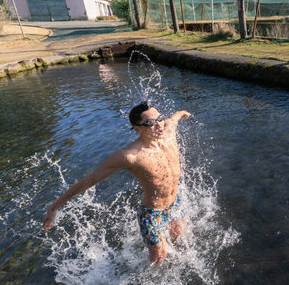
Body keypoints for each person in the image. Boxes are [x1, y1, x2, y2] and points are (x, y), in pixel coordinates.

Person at [43, 102, 192, 265]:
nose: (159, 125)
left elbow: (174, 118)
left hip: (174, 203)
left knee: (180, 240)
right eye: (150, 123)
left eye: (159, 119)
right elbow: (91, 179)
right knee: (159, 257)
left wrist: (182, 113)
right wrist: (54, 207)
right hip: (152, 213)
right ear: (137, 128)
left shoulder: (168, 130)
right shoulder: (130, 156)